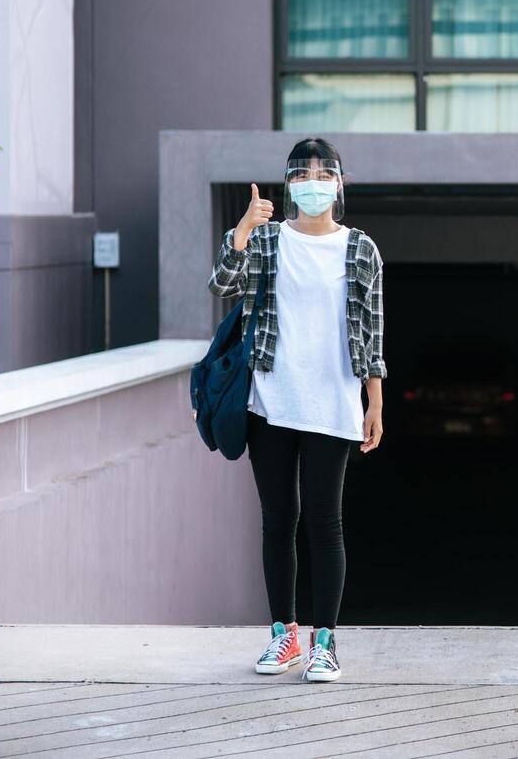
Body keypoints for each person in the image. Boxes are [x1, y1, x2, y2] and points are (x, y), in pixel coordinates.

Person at [206, 137, 386, 683]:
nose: (313, 183)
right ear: (288, 185)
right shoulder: (265, 241)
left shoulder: (360, 249)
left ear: (339, 182)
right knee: (278, 522)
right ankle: (283, 636)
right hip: (271, 401)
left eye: (322, 173)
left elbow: (372, 331)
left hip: (333, 403)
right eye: (302, 174)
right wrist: (240, 230)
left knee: (325, 525)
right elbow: (221, 285)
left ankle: (324, 643)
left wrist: (375, 400)